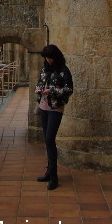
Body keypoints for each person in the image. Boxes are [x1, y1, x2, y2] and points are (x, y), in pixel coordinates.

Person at [34, 44, 73, 190]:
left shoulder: (63, 70)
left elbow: (69, 89)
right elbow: (40, 81)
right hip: (44, 106)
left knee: (50, 139)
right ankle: (49, 172)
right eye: (46, 58)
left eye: (50, 58)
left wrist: (52, 91)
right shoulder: (45, 69)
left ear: (55, 57)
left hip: (56, 107)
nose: (48, 60)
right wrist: (39, 89)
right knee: (47, 140)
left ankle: (54, 176)